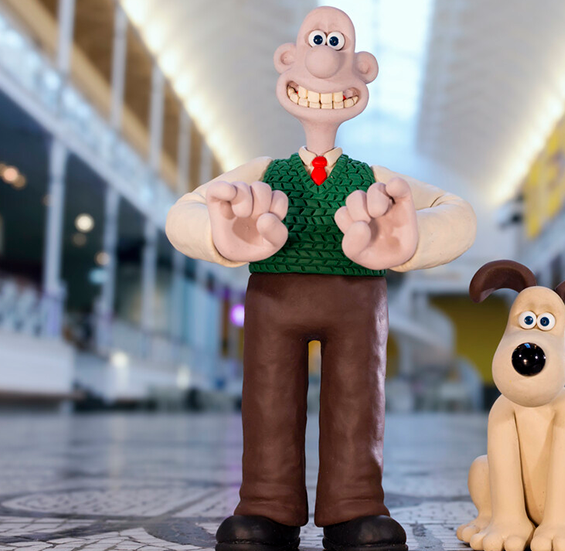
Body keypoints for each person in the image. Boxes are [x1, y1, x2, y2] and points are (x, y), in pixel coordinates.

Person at [165, 7, 476, 551]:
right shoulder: (263, 171)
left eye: (338, 48)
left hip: (357, 300)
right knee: (267, 398)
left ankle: (354, 506)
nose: (324, 61)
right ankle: (266, 505)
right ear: (288, 61)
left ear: (362, 70)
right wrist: (223, 233)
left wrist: (406, 235)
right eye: (314, 45)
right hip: (274, 297)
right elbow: (184, 212)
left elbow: (458, 212)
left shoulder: (375, 179)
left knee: (359, 400)